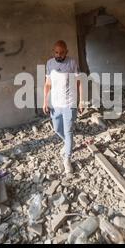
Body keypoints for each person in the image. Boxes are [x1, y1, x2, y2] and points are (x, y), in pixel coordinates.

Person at [43, 40, 83, 174]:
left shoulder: (72, 63)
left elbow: (79, 83)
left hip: (69, 104)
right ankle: (69, 144)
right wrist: (45, 101)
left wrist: (81, 101)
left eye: (61, 53)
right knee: (56, 129)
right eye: (56, 52)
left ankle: (67, 159)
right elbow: (48, 84)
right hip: (55, 104)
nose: (58, 55)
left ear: (66, 52)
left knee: (69, 131)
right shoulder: (49, 63)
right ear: (53, 51)